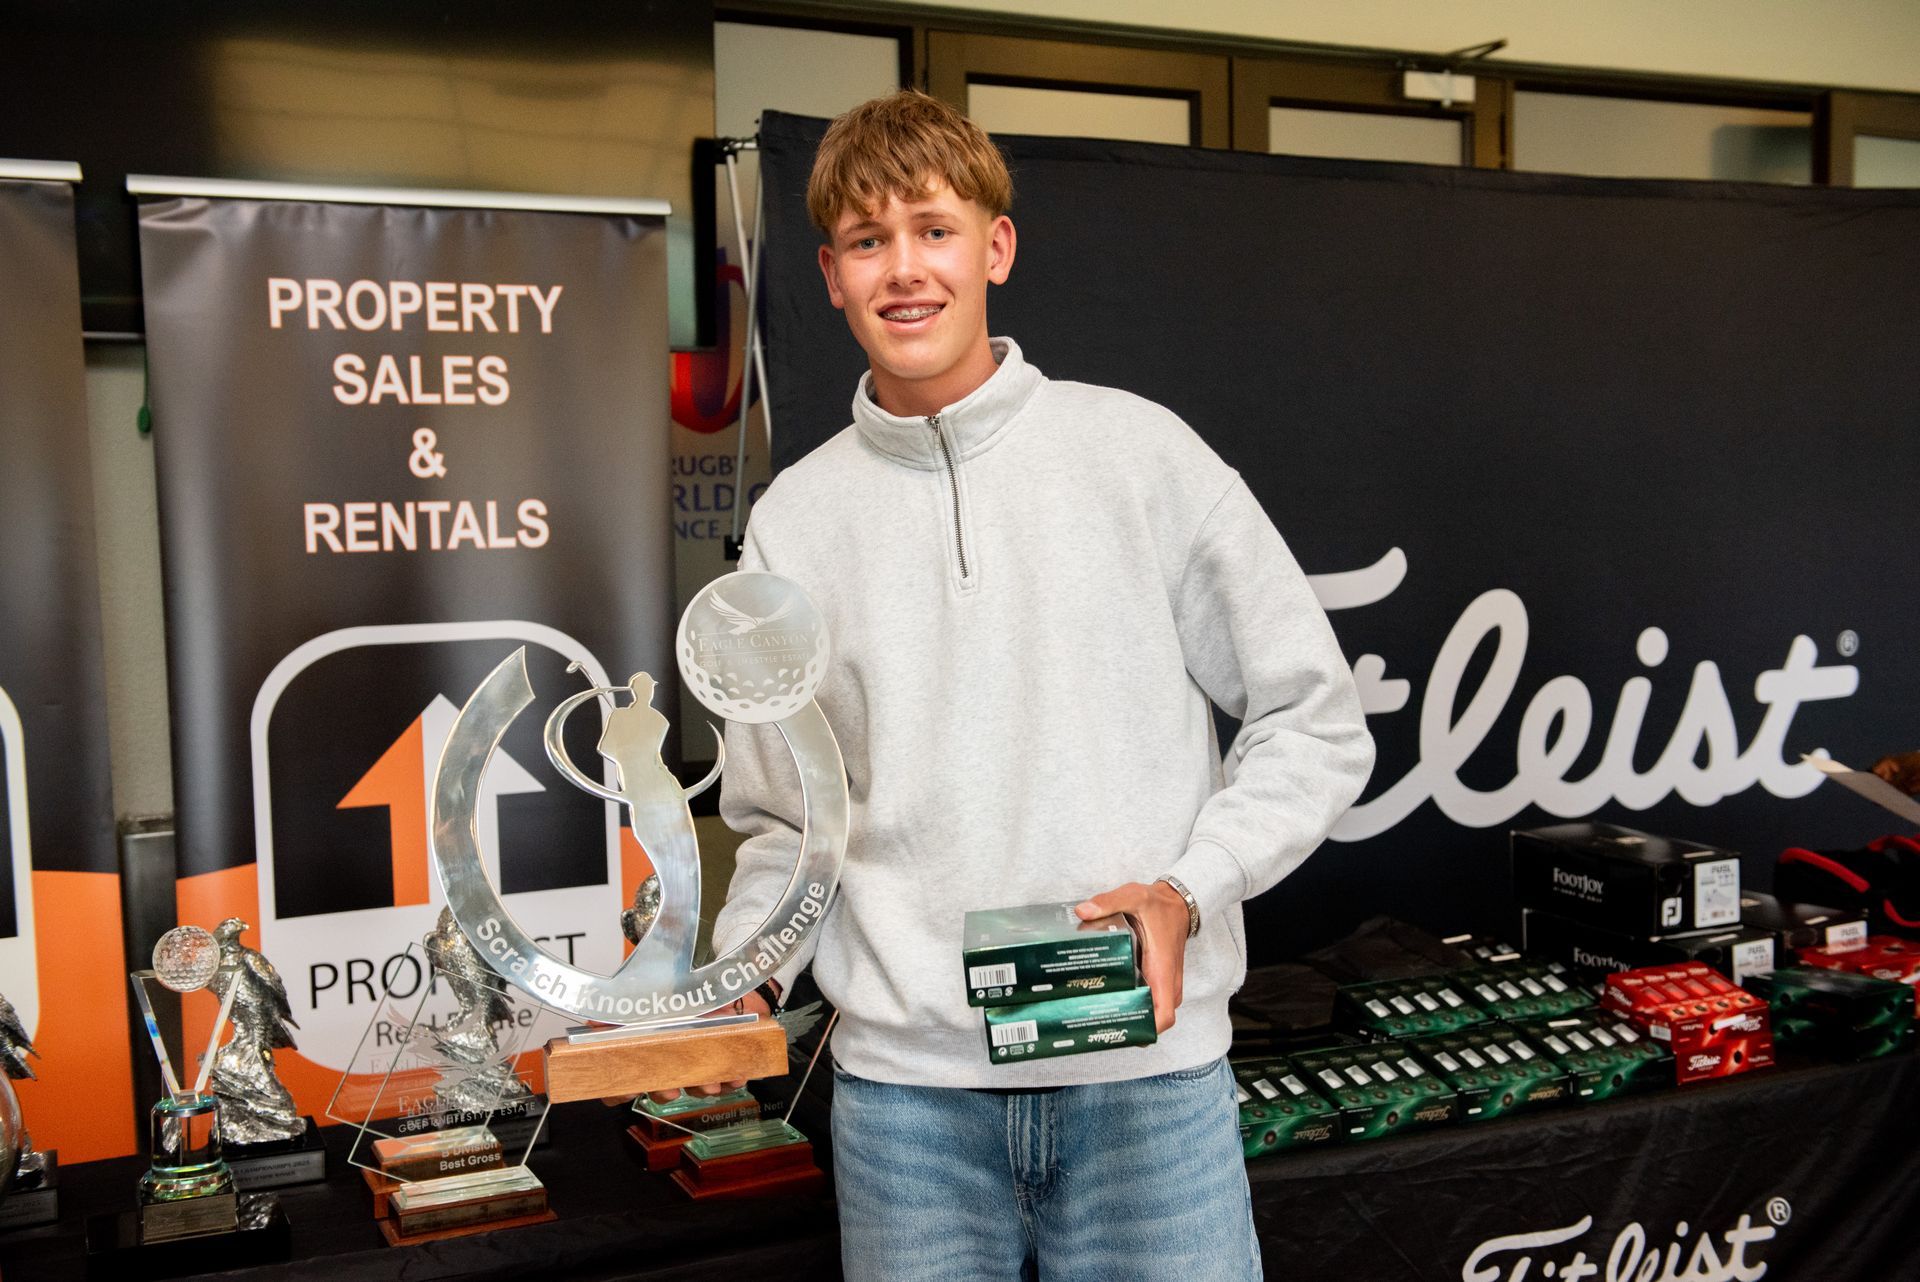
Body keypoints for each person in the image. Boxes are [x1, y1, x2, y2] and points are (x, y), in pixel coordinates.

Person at [703, 90, 1374, 1280]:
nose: (904, 269)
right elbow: (786, 820)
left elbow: (1315, 721)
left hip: (1146, 1089)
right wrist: (741, 969)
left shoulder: (1143, 455)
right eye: (867, 241)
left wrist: (1190, 888)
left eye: (934, 229)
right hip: (908, 1112)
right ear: (830, 276)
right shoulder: (793, 524)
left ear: (996, 248)